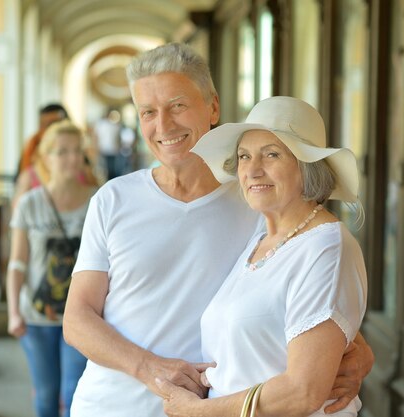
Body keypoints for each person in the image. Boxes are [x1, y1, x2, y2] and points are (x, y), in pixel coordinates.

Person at [63, 43, 373, 417]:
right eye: (148, 112)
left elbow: (316, 297)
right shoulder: (113, 199)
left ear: (212, 107)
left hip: (213, 407)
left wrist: (361, 353)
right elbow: (77, 319)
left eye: (178, 105)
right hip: (110, 405)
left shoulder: (259, 201)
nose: (164, 126)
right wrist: (152, 370)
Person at [155, 96, 367, 417]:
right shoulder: (262, 237)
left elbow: (302, 392)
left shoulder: (326, 248)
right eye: (244, 156)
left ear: (306, 166)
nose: (253, 170)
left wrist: (198, 411)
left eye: (271, 154)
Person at [7, 120, 95, 417]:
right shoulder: (30, 204)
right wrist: (13, 312)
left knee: (74, 392)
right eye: (62, 152)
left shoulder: (99, 200)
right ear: (45, 158)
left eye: (76, 151)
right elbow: (17, 263)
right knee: (45, 395)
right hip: (36, 316)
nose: (72, 158)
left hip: (83, 314)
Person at [13, 103, 97, 206]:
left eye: (55, 123)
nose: (50, 129)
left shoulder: (83, 167)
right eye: (45, 125)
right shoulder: (30, 150)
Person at [92, 108, 123, 179]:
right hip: (103, 149)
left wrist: (119, 147)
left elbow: (118, 138)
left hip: (113, 150)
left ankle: (111, 180)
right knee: (104, 168)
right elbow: (96, 137)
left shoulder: (116, 125)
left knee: (112, 168)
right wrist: (96, 147)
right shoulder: (101, 124)